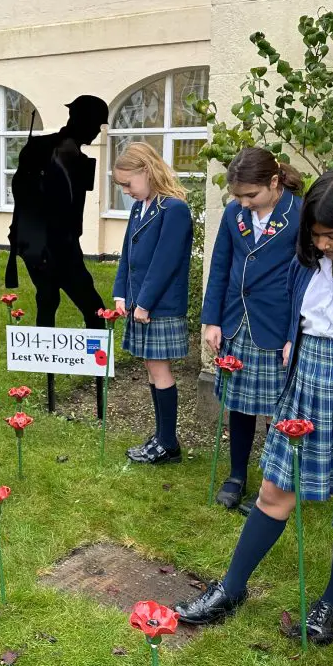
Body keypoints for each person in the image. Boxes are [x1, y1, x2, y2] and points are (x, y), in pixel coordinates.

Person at [174, 168, 333, 638]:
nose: (325, 245)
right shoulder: (306, 261)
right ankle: (231, 588)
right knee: (276, 487)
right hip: (306, 378)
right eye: (314, 236)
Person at [200, 147, 303, 508]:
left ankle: (275, 482)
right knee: (240, 405)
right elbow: (221, 266)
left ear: (274, 182)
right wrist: (212, 319)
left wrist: (295, 334)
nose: (244, 203)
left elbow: (305, 280)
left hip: (276, 325)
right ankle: (236, 475)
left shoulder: (299, 214)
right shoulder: (234, 213)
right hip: (236, 322)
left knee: (280, 409)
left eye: (251, 195)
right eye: (238, 196)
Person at [4, 94, 109, 413]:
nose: (97, 132)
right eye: (95, 124)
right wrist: (48, 249)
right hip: (51, 246)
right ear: (82, 120)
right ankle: (80, 371)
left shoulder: (57, 150)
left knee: (49, 299)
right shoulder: (58, 152)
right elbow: (33, 199)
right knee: (94, 310)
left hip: (42, 245)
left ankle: (61, 376)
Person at [111, 143, 194, 465]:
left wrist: (144, 303)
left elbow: (166, 261)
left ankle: (168, 444)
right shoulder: (140, 207)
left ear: (146, 171)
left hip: (159, 305)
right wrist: (122, 294)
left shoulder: (173, 209)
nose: (126, 191)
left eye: (128, 183)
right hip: (140, 304)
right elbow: (128, 256)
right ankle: (162, 436)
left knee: (159, 368)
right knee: (150, 367)